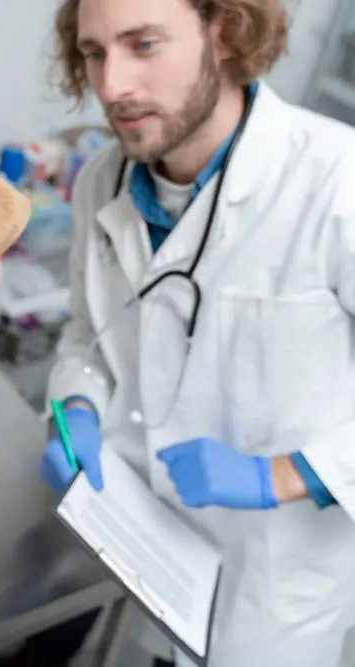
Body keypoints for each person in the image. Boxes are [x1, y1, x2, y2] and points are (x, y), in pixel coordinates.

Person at [39, 0, 355, 665]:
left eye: (143, 45)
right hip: (145, 554)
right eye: (95, 52)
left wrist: (285, 474)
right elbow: (86, 336)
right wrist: (77, 405)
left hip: (272, 596)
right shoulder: (103, 181)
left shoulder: (335, 181)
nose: (112, 85)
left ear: (227, 29)